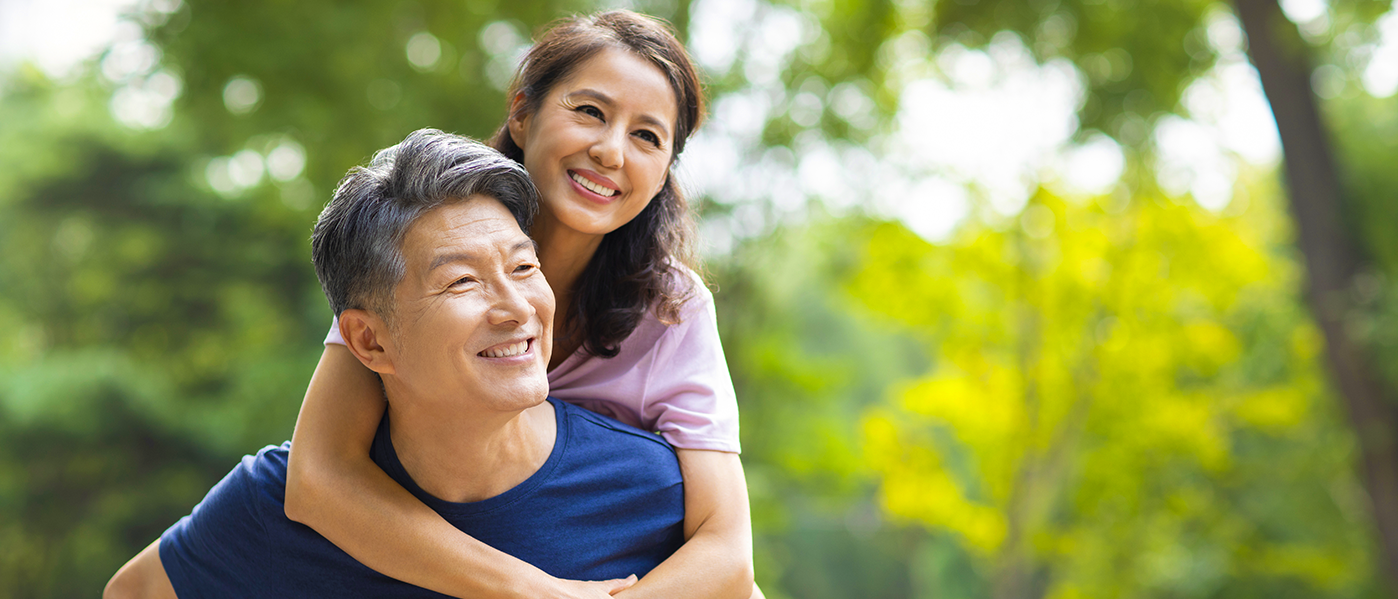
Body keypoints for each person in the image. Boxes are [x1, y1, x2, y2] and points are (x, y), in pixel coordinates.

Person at [285, 10, 759, 599]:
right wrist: (531, 593)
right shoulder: (417, 248)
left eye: (647, 136)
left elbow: (728, 551)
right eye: (590, 112)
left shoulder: (670, 308)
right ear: (522, 111)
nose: (611, 151)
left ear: (664, 172)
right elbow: (318, 478)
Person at [104, 130, 686, 598]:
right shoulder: (270, 505)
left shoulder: (644, 489)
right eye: (462, 282)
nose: (516, 309)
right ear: (369, 342)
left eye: (524, 269)